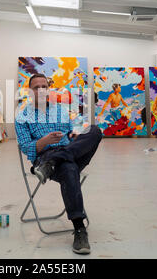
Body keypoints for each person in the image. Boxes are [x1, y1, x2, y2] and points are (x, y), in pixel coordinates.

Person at [15, 73, 102, 255]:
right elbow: (25, 147)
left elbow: (78, 129)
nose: (40, 90)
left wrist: (76, 134)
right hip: (45, 156)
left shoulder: (62, 110)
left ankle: (57, 160)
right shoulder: (22, 116)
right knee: (69, 169)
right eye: (36, 87)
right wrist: (45, 141)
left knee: (94, 130)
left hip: (69, 152)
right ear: (30, 91)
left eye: (43, 86)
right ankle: (79, 229)